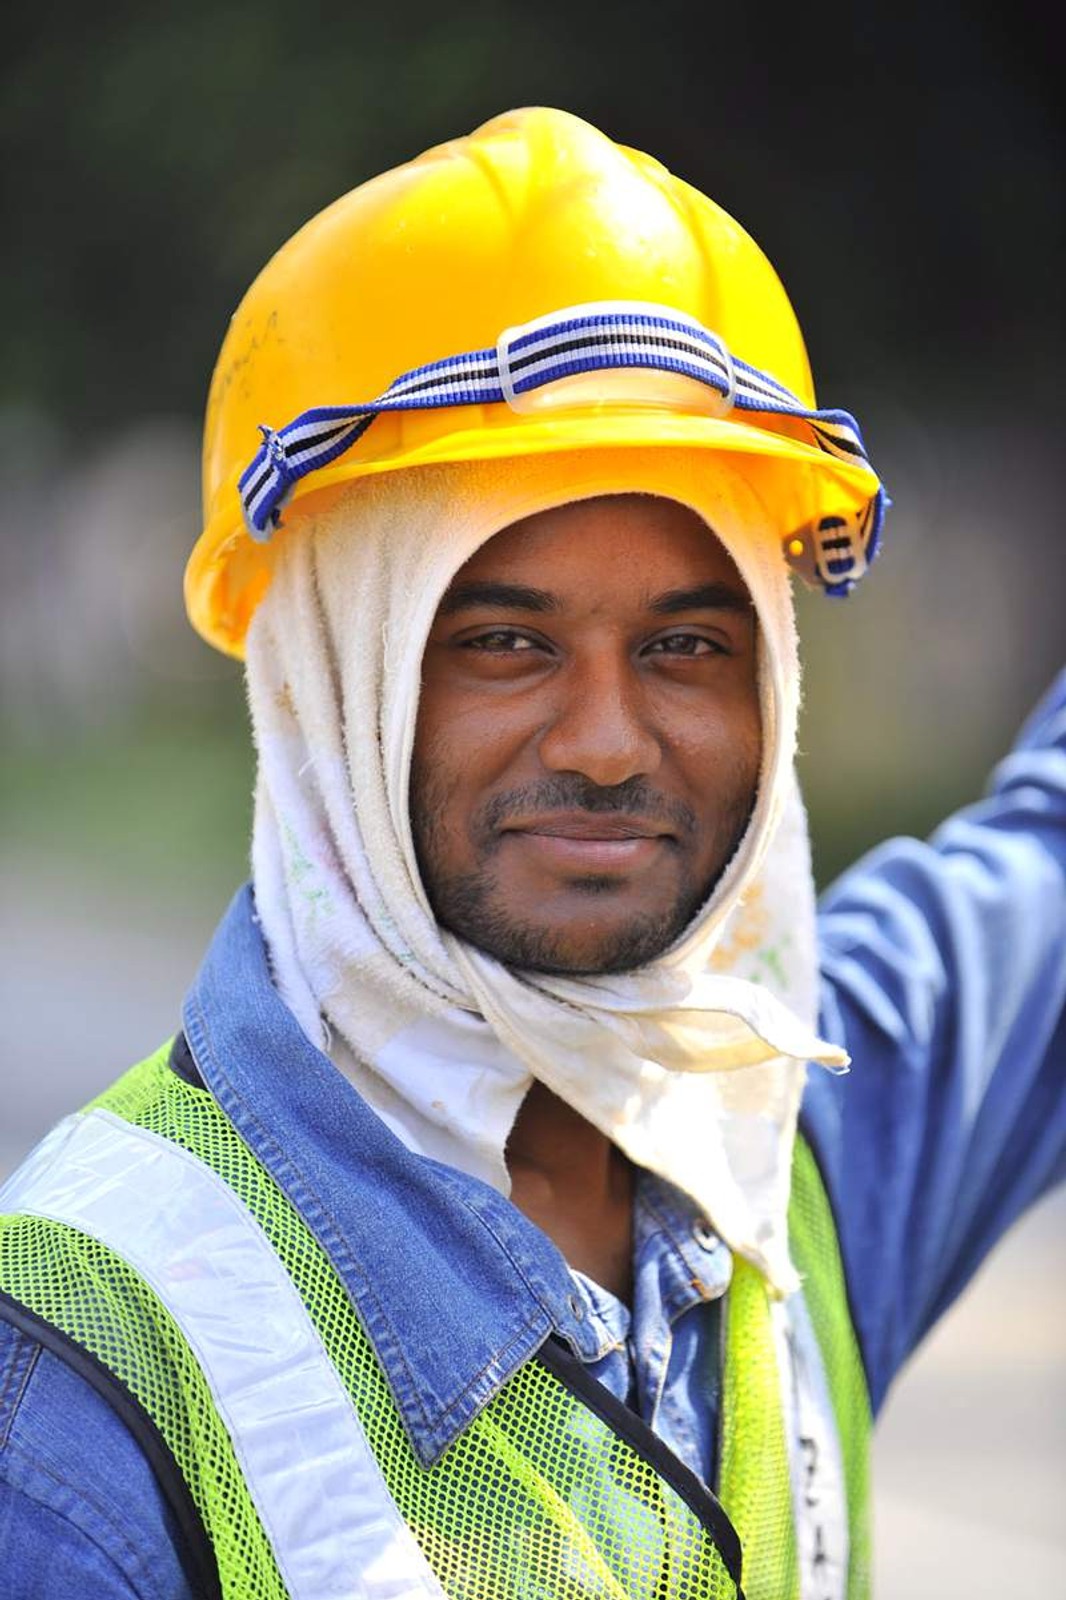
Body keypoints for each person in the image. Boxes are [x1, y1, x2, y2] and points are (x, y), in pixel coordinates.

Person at [0, 106, 1062, 1600]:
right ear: (331, 678)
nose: (609, 743)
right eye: (502, 641)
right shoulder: (79, 1375)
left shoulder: (787, 1126)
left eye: (687, 644)